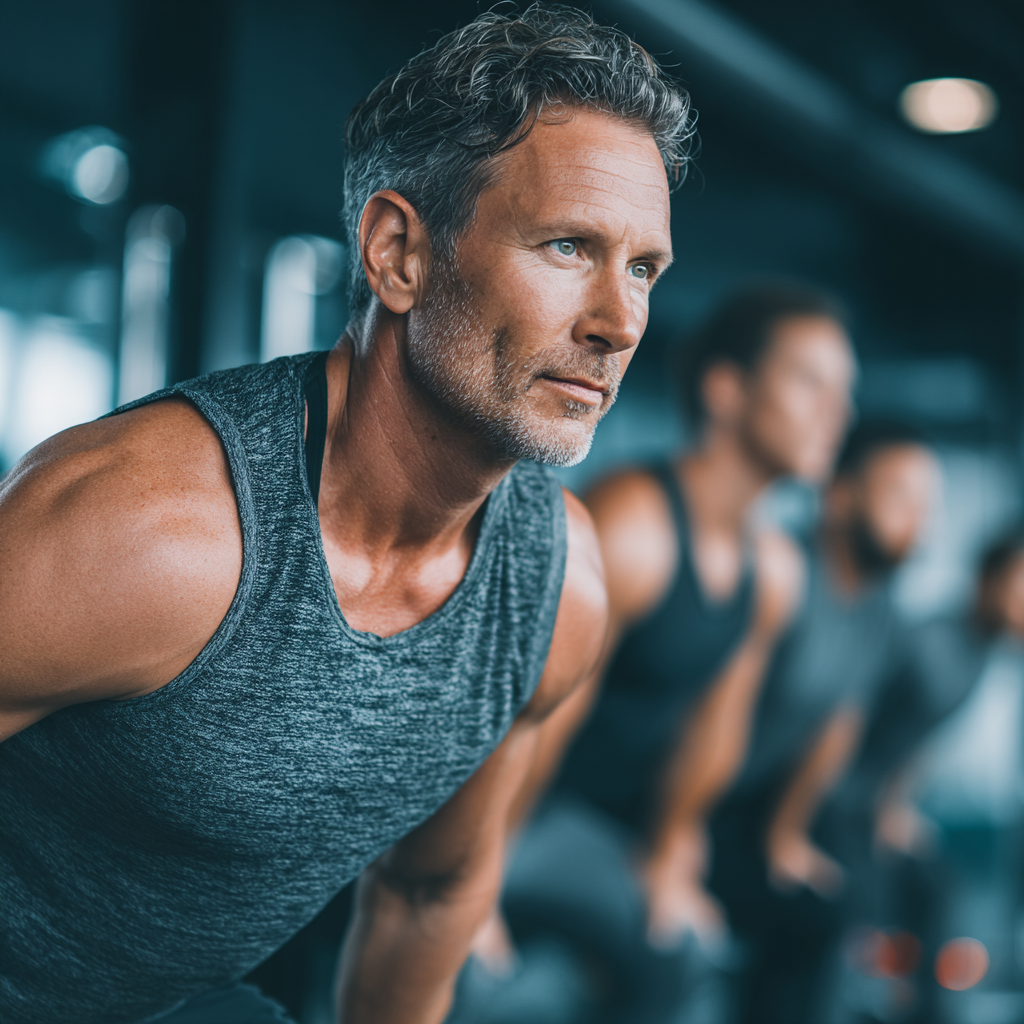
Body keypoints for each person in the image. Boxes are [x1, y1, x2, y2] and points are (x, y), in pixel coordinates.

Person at [0, 9, 694, 1024]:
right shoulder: (154, 529)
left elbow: (430, 888)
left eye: (641, 268)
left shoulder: (554, 589)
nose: (619, 321)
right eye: (565, 246)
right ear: (398, 253)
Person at [475, 281, 857, 1023]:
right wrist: (473, 881)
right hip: (517, 812)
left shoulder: (773, 569)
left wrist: (670, 850)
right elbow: (536, 720)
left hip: (604, 830)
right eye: (811, 382)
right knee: (474, 976)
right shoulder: (635, 526)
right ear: (726, 389)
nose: (836, 415)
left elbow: (715, 729)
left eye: (845, 392)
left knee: (681, 949)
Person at [707, 421, 939, 1024]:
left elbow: (837, 725)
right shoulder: (779, 571)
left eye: (927, 505)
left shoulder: (883, 609)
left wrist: (786, 835)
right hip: (688, 805)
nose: (920, 519)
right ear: (839, 495)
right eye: (901, 496)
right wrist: (676, 839)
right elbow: (702, 713)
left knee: (843, 899)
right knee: (816, 920)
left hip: (752, 811)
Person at [818, 528, 1024, 1024]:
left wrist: (894, 805)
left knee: (939, 894)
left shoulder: (978, 656)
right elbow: (847, 719)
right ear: (987, 580)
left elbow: (913, 741)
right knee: (855, 921)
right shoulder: (931, 640)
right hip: (831, 806)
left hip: (868, 808)